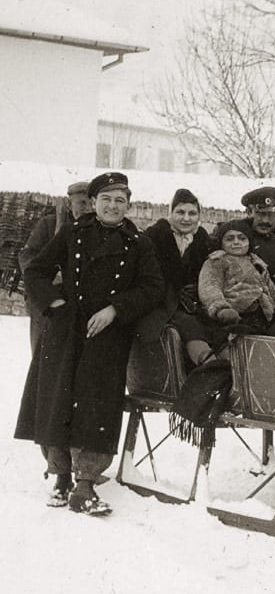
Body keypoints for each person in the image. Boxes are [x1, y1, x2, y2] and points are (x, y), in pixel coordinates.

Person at [15, 172, 164, 515]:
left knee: (97, 406)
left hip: (107, 337)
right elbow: (35, 270)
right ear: (94, 203)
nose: (113, 206)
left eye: (120, 200)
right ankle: (61, 476)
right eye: (106, 199)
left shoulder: (139, 243)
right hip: (66, 332)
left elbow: (153, 288)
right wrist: (54, 304)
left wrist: (116, 310)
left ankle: (85, 483)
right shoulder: (72, 232)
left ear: (129, 205)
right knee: (58, 401)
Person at [138, 188, 214, 365]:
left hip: (191, 301)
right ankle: (209, 366)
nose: (186, 218)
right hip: (160, 301)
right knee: (188, 325)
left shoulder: (201, 238)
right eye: (180, 212)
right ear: (170, 213)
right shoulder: (153, 236)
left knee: (214, 325)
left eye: (192, 213)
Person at [18, 181, 93, 349]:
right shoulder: (49, 224)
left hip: (74, 302)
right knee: (43, 350)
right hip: (46, 300)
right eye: (81, 202)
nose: (87, 208)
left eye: (90, 203)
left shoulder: (93, 230)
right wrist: (47, 281)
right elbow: (27, 256)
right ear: (68, 203)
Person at [196, 219, 275, 351]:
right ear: (221, 242)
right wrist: (221, 309)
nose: (236, 242)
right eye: (230, 239)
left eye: (242, 238)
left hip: (264, 315)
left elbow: (269, 286)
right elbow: (210, 287)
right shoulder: (217, 261)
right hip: (237, 315)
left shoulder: (257, 262)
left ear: (249, 242)